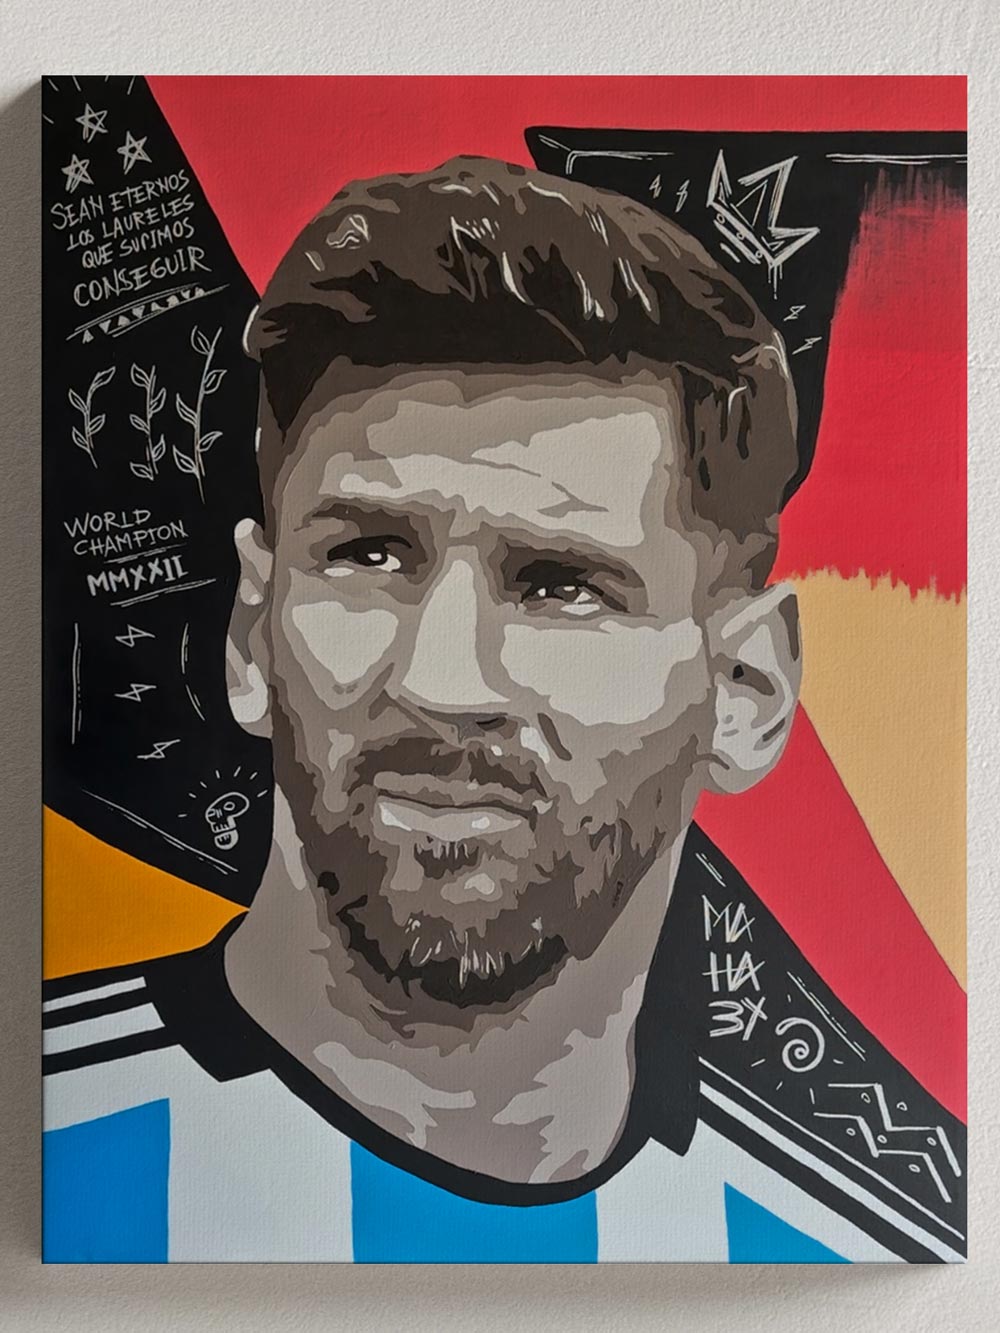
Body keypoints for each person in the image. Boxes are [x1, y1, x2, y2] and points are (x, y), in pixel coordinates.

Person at [43, 157, 966, 1263]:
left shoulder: (826, 1250)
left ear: (745, 692)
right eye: (367, 554)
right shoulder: (45, 1141)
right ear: (253, 634)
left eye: (562, 585)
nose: (443, 681)